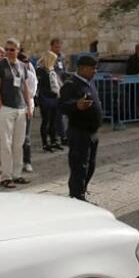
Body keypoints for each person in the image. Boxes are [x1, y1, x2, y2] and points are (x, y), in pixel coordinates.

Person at [59, 54, 103, 201]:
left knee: (90, 165)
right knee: (79, 166)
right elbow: (62, 106)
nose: (95, 71)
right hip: (79, 132)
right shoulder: (71, 84)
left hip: (92, 132)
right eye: (92, 69)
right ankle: (76, 197)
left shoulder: (89, 82)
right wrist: (76, 105)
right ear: (83, 68)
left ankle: (82, 191)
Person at [0, 38, 33, 188]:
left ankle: (17, 174)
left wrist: (29, 107)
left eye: (12, 49)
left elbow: (25, 88)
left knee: (18, 143)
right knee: (6, 144)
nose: (9, 52)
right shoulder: (0, 65)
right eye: (7, 49)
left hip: (21, 108)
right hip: (7, 108)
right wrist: (0, 106)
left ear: (18, 50)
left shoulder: (22, 66)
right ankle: (6, 176)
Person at [38, 47, 64, 151]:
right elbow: (42, 86)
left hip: (54, 98)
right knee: (46, 121)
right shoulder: (40, 71)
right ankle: (45, 143)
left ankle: (54, 141)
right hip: (45, 99)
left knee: (53, 121)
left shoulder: (52, 70)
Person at [19, 51, 38, 173]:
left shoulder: (30, 76)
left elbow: (31, 93)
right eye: (22, 61)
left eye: (26, 61)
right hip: (15, 108)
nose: (25, 64)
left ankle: (27, 161)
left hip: (26, 108)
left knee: (26, 137)